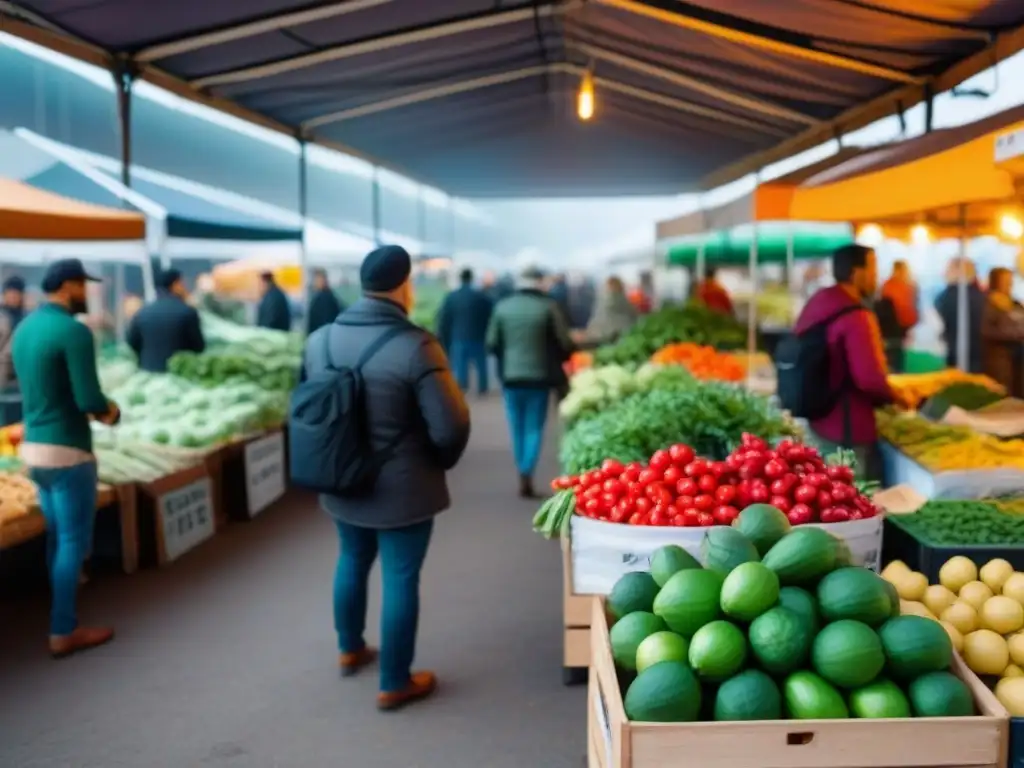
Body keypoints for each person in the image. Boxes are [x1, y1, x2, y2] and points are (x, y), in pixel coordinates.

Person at [303, 245, 470, 711]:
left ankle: (349, 647)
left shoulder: (319, 341)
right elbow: (451, 425)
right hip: (404, 487)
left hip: (341, 479)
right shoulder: (417, 346)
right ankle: (395, 681)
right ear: (404, 285)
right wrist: (439, 462)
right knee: (400, 576)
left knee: (352, 558)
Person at [11, 259, 120, 657]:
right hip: (69, 450)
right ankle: (63, 629)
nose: (86, 294)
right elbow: (88, 398)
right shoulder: (73, 332)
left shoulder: (25, 328)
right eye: (82, 286)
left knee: (57, 537)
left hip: (34, 450)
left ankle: (62, 610)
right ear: (68, 286)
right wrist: (112, 411)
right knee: (73, 540)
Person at [793, 245, 897, 480]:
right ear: (857, 273)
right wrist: (896, 396)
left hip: (817, 419)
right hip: (848, 427)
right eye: (873, 269)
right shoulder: (856, 316)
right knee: (852, 498)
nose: (875, 278)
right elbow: (869, 378)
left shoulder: (817, 303)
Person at [487, 267, 575, 498]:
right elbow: (564, 341)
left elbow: (491, 342)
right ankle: (527, 469)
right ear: (539, 282)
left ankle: (521, 468)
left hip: (511, 377)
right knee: (534, 426)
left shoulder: (502, 307)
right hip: (540, 377)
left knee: (516, 425)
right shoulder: (548, 307)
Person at [125, 269, 205, 373]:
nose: (184, 287)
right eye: (182, 284)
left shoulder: (142, 313)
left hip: (148, 375)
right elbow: (198, 347)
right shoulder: (187, 312)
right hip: (179, 375)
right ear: (175, 285)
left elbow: (132, 342)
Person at [436, 268, 493, 396]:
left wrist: (443, 335)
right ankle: (482, 387)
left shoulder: (452, 296)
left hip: (458, 336)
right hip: (478, 335)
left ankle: (463, 387)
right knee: (481, 364)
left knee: (460, 364)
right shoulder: (481, 296)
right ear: (471, 278)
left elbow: (444, 318)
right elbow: (490, 315)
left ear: (460, 278)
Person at [935, 257, 986, 372]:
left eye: (948, 269)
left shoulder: (948, 296)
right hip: (979, 352)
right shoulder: (982, 296)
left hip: (958, 350)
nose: (944, 273)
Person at [981, 267, 1024, 397]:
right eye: (1005, 280)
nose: (1009, 283)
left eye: (1010, 280)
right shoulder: (988, 303)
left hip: (1019, 353)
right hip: (999, 355)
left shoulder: (1015, 302)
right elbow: (986, 330)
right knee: (1003, 390)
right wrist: (1013, 335)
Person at [877, 261, 919, 373]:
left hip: (891, 327)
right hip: (900, 325)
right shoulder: (908, 286)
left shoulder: (887, 285)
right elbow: (911, 307)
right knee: (897, 354)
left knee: (892, 355)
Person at [579, 276, 637, 346]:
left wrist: (589, 331)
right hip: (618, 335)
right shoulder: (617, 299)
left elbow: (597, 318)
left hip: (606, 336)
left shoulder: (606, 299)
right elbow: (633, 316)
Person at [306, 268, 344, 336]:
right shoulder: (329, 296)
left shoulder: (324, 298)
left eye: (318, 280)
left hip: (321, 335)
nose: (316, 282)